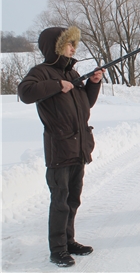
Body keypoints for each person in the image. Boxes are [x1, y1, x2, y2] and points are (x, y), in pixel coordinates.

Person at [18, 26, 105, 268]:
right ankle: (57, 250)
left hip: (78, 148)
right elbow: (25, 93)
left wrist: (93, 84)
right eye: (68, 43)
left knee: (73, 199)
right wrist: (57, 85)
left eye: (74, 43)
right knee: (60, 200)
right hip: (59, 148)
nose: (73, 48)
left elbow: (84, 104)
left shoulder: (72, 72)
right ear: (55, 48)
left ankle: (69, 241)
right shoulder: (42, 72)